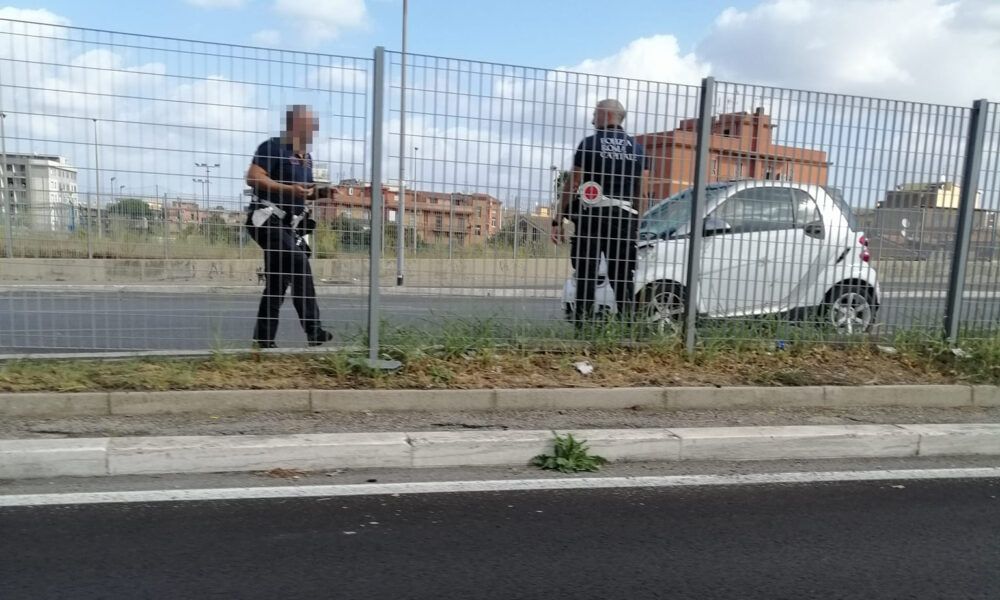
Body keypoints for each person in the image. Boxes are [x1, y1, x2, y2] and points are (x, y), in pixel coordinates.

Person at [552, 98, 649, 325]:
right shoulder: (638, 150)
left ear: (606, 115)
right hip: (624, 220)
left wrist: (558, 218)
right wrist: (636, 224)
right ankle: (628, 329)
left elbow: (573, 183)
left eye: (595, 114)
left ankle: (583, 327)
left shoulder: (588, 144)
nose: (592, 119)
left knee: (586, 273)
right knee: (623, 277)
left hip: (591, 218)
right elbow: (641, 192)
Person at [245, 104, 335, 348]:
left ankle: (263, 341)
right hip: (266, 220)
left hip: (288, 227)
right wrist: (287, 189)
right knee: (299, 262)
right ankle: (313, 330)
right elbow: (253, 177)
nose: (313, 129)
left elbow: (304, 193)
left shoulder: (306, 159)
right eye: (309, 124)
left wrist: (322, 192)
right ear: (294, 125)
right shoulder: (272, 147)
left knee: (278, 282)